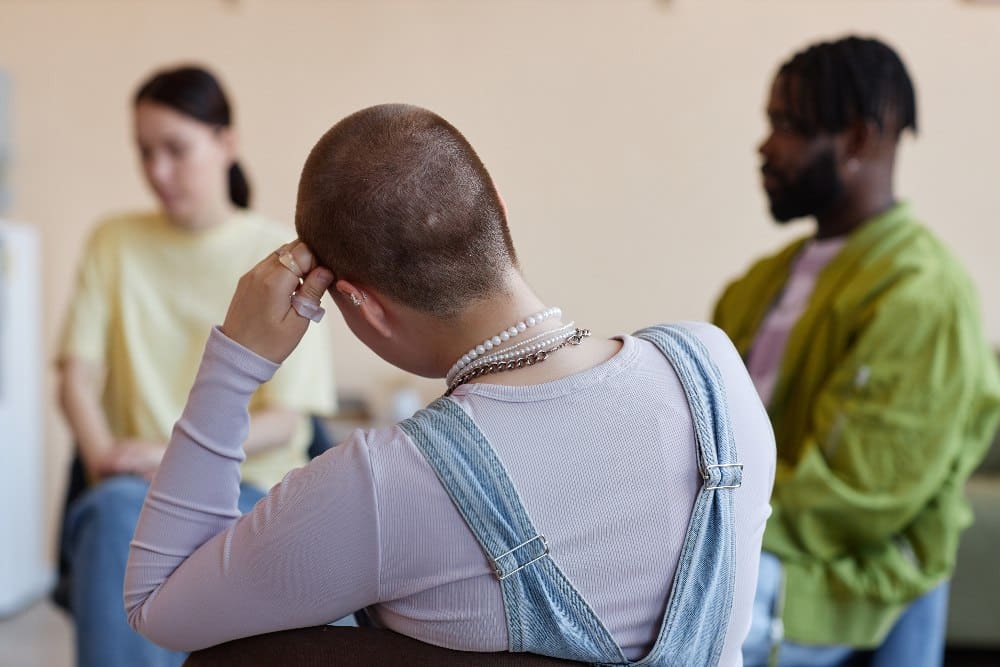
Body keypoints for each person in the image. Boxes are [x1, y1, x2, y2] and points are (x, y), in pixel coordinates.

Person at [123, 104, 775, 665]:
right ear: (500, 214)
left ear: (364, 306)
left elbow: (159, 602)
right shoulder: (712, 367)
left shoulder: (388, 479)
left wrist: (234, 362)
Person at [713, 36, 1000, 666]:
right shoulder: (761, 282)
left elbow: (852, 500)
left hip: (836, 576)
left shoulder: (922, 294)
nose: (765, 146)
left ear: (858, 139)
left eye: (787, 125)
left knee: (661, 615)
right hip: (744, 542)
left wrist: (699, 531)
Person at [57, 65, 335, 667]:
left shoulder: (282, 255)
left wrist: (165, 456)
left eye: (175, 150)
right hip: (133, 491)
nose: (158, 171)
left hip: (250, 487)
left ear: (225, 143)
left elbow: (289, 421)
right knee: (110, 517)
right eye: (145, 152)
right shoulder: (114, 242)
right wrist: (103, 457)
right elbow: (75, 375)